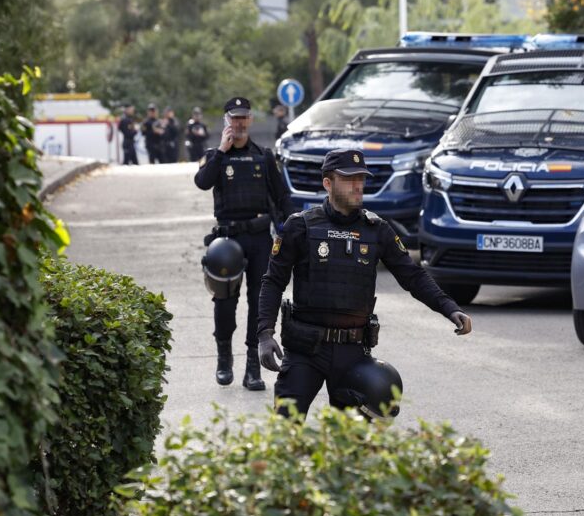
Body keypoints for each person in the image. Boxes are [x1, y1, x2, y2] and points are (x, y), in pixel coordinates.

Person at [256, 148, 473, 417]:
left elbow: (412, 276)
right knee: (285, 431)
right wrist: (265, 333)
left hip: (353, 353)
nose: (358, 185)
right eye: (349, 179)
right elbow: (273, 281)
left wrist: (450, 307)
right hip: (305, 350)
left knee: (354, 445)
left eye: (361, 178)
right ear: (328, 183)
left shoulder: (376, 230)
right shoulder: (300, 226)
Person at [195, 96, 295, 389]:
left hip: (259, 237)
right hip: (227, 241)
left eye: (243, 118)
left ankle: (254, 366)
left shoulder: (263, 156)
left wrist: (291, 228)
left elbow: (282, 196)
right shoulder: (215, 155)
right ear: (226, 121)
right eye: (233, 118)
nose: (238, 123)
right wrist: (221, 152)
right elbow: (202, 182)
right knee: (225, 302)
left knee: (259, 303)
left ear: (250, 120)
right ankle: (224, 358)